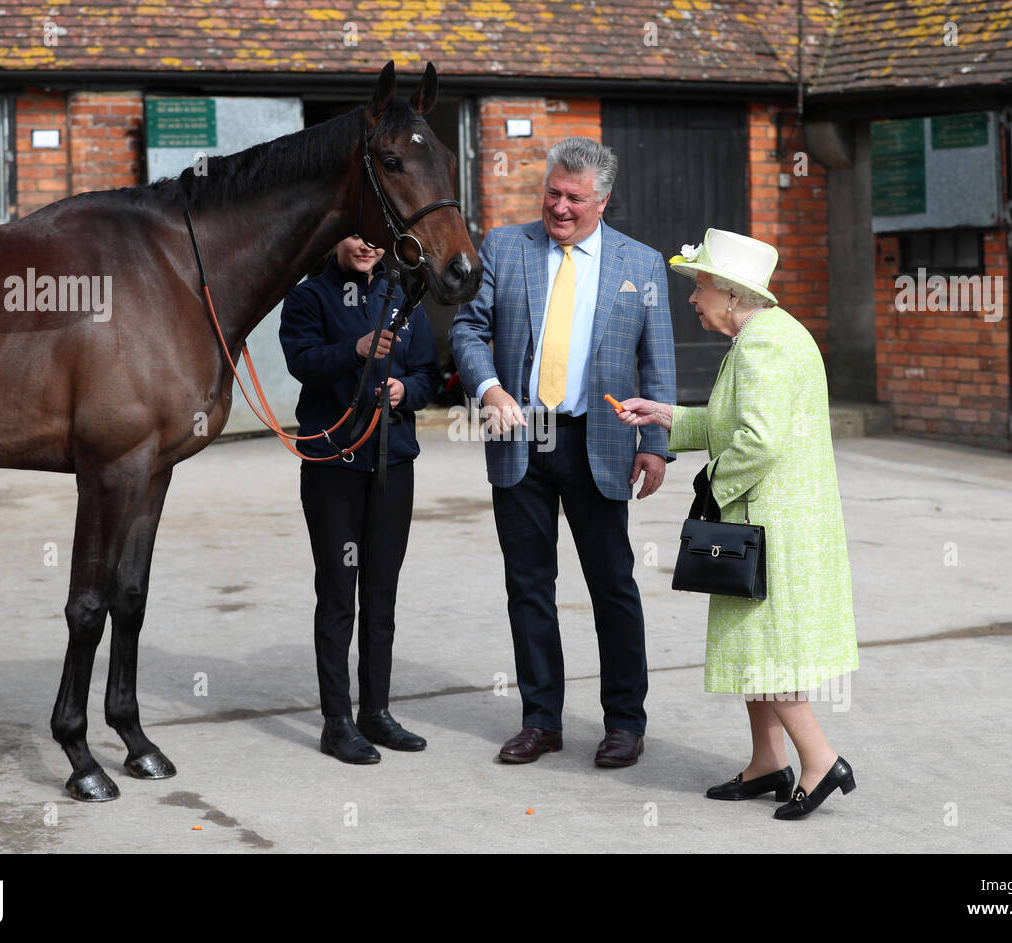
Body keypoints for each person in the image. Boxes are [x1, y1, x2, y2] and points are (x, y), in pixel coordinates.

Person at [614, 229, 859, 819]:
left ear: (730, 293)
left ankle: (821, 761)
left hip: (766, 522)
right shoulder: (768, 335)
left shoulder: (762, 346)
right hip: (764, 520)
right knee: (752, 646)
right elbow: (735, 424)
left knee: (768, 652)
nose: (693, 300)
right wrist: (667, 416)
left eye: (699, 288)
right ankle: (766, 764)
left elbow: (758, 442)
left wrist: (709, 486)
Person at [450, 137, 676, 768]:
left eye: (575, 198)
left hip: (597, 442)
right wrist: (490, 390)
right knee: (529, 586)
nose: (561, 207)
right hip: (520, 435)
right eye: (553, 193)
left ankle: (625, 723)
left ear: (602, 202)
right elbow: (468, 328)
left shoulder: (642, 264)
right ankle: (540, 720)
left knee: (613, 586)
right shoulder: (504, 245)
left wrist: (654, 446)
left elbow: (656, 362)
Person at [279, 235, 438, 764]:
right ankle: (337, 721)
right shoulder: (308, 298)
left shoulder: (402, 297)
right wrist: (356, 348)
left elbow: (429, 376)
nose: (367, 247)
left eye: (375, 240)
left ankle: (377, 711)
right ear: (335, 239)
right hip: (334, 465)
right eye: (356, 237)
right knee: (338, 594)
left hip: (393, 464)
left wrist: (405, 392)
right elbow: (302, 362)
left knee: (381, 593)